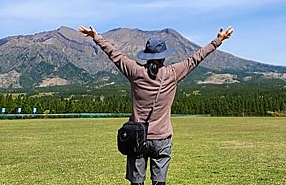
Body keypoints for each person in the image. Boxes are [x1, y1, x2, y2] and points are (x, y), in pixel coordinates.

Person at [78, 24, 234, 185]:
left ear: (146, 56)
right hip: (162, 138)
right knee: (159, 183)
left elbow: (114, 54)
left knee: (136, 183)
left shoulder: (135, 71)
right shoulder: (172, 73)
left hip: (138, 137)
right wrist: (218, 40)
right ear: (164, 56)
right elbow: (196, 58)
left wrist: (96, 37)